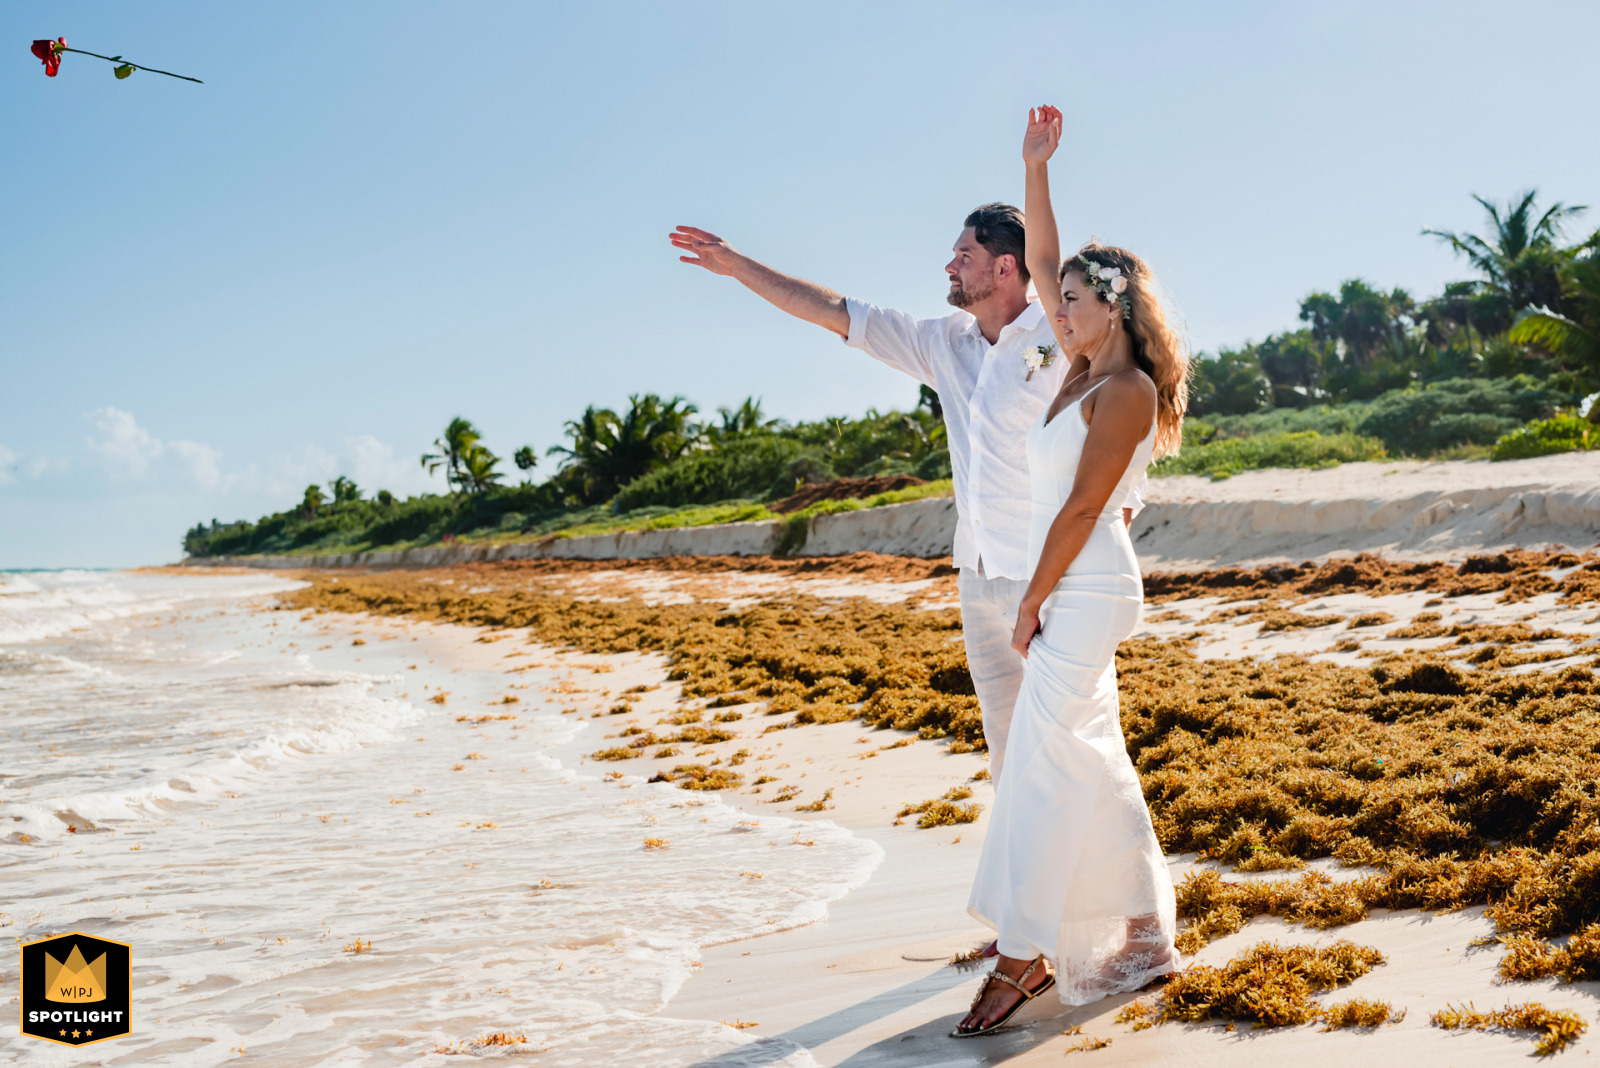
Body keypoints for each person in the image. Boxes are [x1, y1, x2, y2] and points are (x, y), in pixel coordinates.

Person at [669, 207, 1144, 787]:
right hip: (979, 573)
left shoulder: (1062, 331)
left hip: (1052, 573)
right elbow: (833, 312)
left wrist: (1117, 521)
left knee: (1072, 741)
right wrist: (736, 265)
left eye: (963, 255)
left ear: (1003, 267)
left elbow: (1112, 424)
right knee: (1005, 749)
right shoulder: (941, 342)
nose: (949, 265)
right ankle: (1023, 873)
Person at [953, 105, 1189, 1037]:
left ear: (1115, 309)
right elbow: (1046, 257)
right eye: (1062, 300)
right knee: (1084, 759)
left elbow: (1084, 511)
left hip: (1087, 586)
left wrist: (1032, 602)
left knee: (1045, 768)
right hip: (1071, 582)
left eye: (1077, 301)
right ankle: (1138, 934)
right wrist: (1034, 169)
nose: (1058, 308)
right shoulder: (1075, 367)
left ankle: (1024, 957)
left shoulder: (1123, 389)